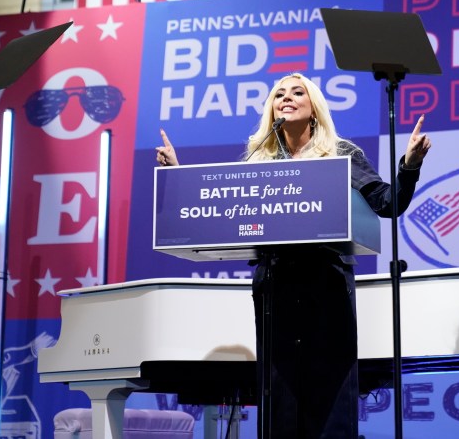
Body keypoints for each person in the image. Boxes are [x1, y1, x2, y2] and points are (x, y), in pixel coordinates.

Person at [156, 73, 431, 439]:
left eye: (297, 92)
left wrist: (409, 165)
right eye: (278, 94)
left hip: (327, 285)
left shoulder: (341, 153)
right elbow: (224, 211)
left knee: (329, 396)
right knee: (280, 399)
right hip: (275, 286)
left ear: (314, 107)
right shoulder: (258, 159)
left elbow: (387, 202)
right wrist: (177, 178)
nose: (286, 98)